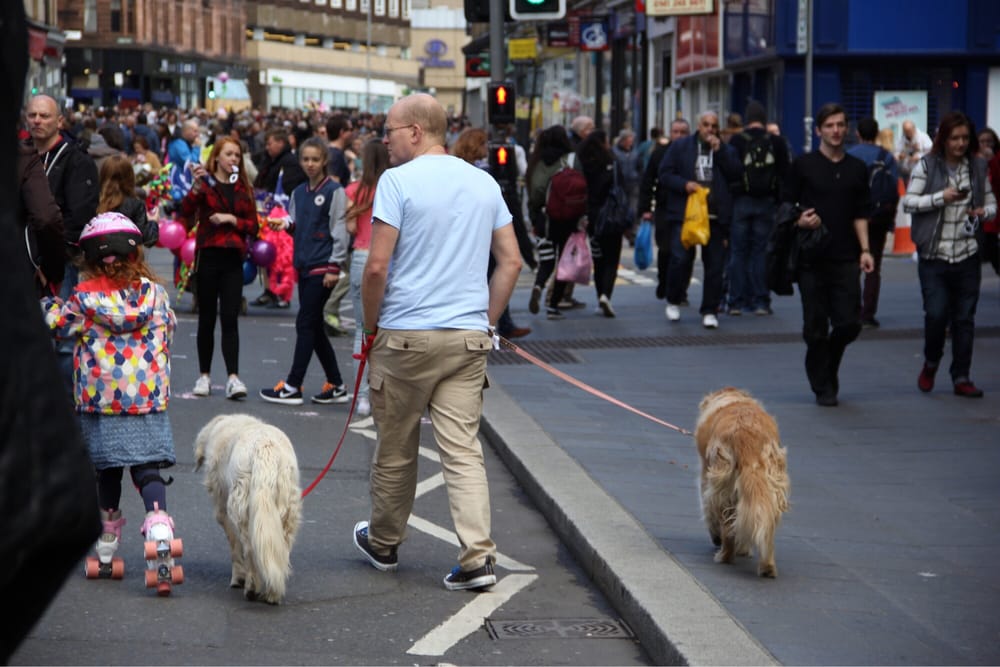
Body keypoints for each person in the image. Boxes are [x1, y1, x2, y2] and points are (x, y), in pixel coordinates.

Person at [354, 93, 521, 591]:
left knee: (397, 446)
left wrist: (369, 328)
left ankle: (383, 544)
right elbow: (511, 261)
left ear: (416, 131)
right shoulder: (483, 181)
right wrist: (486, 322)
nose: (384, 139)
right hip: (467, 339)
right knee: (463, 450)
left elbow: (377, 266)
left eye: (390, 130)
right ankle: (477, 560)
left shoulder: (397, 182)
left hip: (405, 334)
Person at [41, 212, 181, 593]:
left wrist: (46, 300)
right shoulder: (154, 296)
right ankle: (160, 529)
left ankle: (105, 548)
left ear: (88, 260)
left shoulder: (84, 300)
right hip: (147, 399)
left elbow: (57, 326)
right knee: (147, 469)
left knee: (107, 471)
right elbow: (169, 329)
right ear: (136, 255)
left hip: (101, 400)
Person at [783, 102, 874, 407]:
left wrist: (865, 250)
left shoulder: (857, 169)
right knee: (815, 327)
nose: (836, 131)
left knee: (849, 323)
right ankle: (823, 385)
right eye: (830, 126)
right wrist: (800, 220)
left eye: (840, 125)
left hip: (847, 256)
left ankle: (828, 363)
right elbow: (785, 207)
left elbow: (861, 213)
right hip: (811, 258)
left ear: (847, 129)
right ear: (818, 129)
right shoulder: (803, 165)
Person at [902, 111, 996, 398]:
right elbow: (909, 202)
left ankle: (961, 376)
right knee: (936, 314)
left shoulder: (978, 167)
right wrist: (940, 197)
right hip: (934, 254)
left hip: (967, 253)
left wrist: (984, 212)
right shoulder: (928, 166)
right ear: (944, 139)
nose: (960, 143)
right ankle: (931, 362)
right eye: (955, 138)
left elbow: (992, 202)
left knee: (965, 318)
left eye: (965, 138)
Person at [259, 137, 351, 406]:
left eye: (315, 159)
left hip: (324, 266)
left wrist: (335, 266)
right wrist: (285, 226)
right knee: (313, 326)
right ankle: (335, 383)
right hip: (305, 264)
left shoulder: (335, 191)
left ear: (324, 161)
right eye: (306, 159)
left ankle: (293, 384)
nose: (310, 164)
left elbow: (340, 230)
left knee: (305, 323)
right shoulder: (299, 192)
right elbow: (298, 224)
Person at [179, 136, 259, 400]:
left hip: (233, 259)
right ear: (217, 157)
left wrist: (231, 218)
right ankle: (204, 376)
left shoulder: (242, 187)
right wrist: (197, 187)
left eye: (237, 155)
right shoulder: (206, 184)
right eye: (229, 154)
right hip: (208, 255)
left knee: (230, 319)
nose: (233, 159)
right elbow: (186, 210)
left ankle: (233, 378)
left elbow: (253, 226)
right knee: (206, 318)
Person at [660, 110, 741, 328]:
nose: (710, 130)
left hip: (715, 216)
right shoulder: (681, 147)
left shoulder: (727, 149)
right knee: (680, 260)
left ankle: (709, 309)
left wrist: (720, 151)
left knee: (715, 266)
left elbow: (736, 174)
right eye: (706, 125)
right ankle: (674, 300)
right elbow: (664, 174)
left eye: (714, 126)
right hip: (686, 214)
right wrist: (684, 185)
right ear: (699, 126)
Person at [728, 101, 790, 316]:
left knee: (738, 252)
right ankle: (761, 300)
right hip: (767, 202)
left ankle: (735, 301)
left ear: (747, 119)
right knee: (761, 251)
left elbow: (730, 171)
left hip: (741, 202)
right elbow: (785, 173)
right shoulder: (776, 142)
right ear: (764, 120)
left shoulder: (736, 141)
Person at [343, 138, 390, 417]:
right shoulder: (393, 189)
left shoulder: (354, 190)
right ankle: (384, 394)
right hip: (387, 259)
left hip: (361, 255)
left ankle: (361, 397)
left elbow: (350, 227)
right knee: (388, 329)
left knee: (363, 328)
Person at [848, 117, 900, 328]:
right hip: (877, 218)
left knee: (851, 266)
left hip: (852, 218)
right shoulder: (886, 157)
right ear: (876, 134)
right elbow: (894, 190)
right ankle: (867, 314)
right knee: (874, 266)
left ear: (857, 133)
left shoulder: (849, 155)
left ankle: (851, 310)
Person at [525, 125, 579, 320]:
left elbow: (535, 192)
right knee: (565, 262)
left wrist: (533, 216)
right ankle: (553, 305)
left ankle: (539, 285)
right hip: (568, 218)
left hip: (543, 218)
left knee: (546, 260)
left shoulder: (536, 161)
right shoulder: (570, 159)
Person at [639, 118, 691, 301]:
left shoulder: (693, 153)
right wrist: (645, 208)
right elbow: (647, 181)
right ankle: (664, 281)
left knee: (686, 252)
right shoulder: (660, 153)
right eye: (675, 131)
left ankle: (680, 290)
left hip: (689, 209)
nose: (678, 136)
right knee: (666, 248)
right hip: (664, 208)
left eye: (683, 132)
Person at [577, 129, 626, 317]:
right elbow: (621, 188)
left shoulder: (583, 163)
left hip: (592, 217)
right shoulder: (611, 162)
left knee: (599, 259)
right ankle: (606, 295)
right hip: (612, 216)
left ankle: (599, 297)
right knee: (612, 259)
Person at [97, 153, 158, 247]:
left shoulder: (94, 201)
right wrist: (153, 222)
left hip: (98, 256)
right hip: (128, 258)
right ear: (130, 176)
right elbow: (148, 240)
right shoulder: (136, 204)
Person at [895, 120, 933, 184]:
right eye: (905, 131)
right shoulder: (901, 139)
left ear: (914, 128)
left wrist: (919, 157)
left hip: (920, 172)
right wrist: (899, 155)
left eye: (909, 130)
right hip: (905, 172)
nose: (907, 133)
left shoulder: (923, 137)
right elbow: (896, 152)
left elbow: (931, 152)